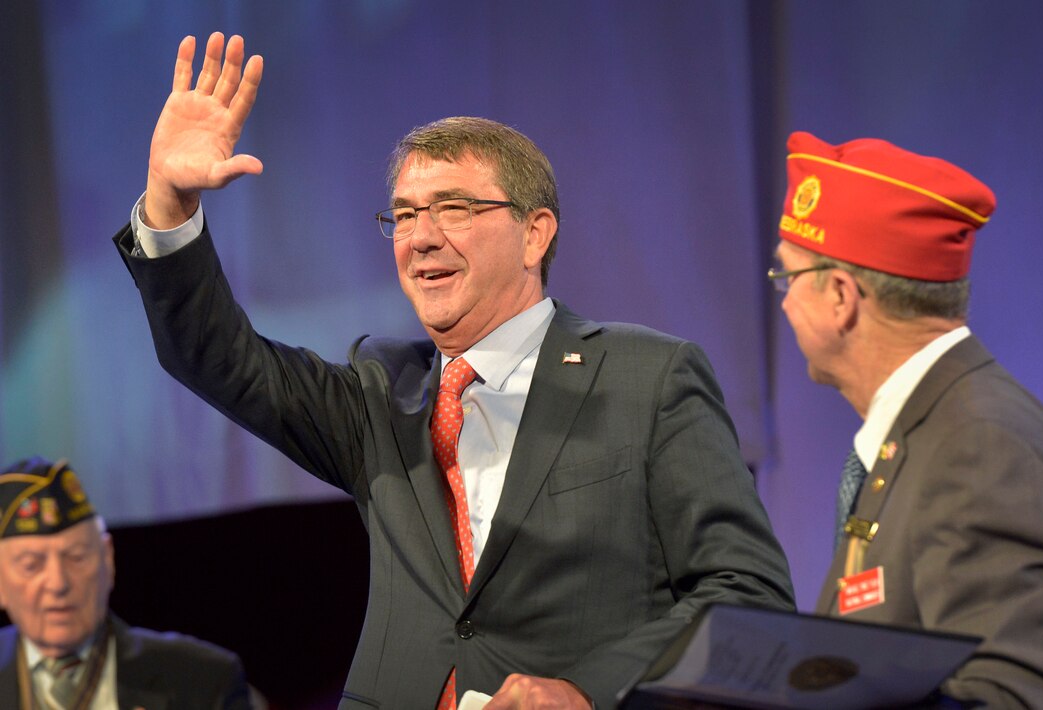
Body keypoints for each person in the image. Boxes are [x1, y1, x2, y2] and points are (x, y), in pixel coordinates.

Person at [112, 32, 795, 709]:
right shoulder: (380, 393)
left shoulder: (648, 377)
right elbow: (214, 357)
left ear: (535, 234)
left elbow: (745, 591)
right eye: (405, 214)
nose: (421, 236)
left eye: (455, 209)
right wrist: (171, 204)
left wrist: (587, 690)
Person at [771, 131, 1043, 707]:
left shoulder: (978, 447)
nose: (786, 301)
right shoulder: (929, 429)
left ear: (841, 297)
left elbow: (1019, 697)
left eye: (788, 278)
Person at [0, 456, 253, 709]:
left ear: (108, 560)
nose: (58, 583)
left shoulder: (204, 680)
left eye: (77, 557)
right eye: (31, 565)